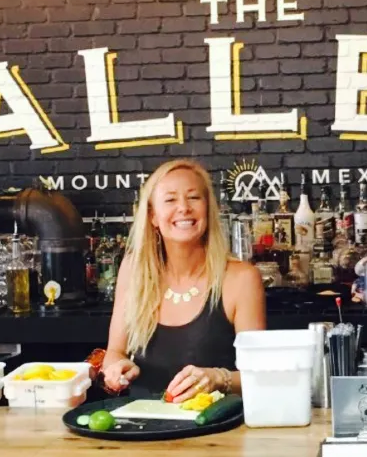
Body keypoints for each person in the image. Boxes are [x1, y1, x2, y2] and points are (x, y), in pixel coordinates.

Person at [101, 159, 266, 403]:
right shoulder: (134, 269)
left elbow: (260, 376)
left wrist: (218, 378)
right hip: (142, 420)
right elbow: (114, 353)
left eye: (194, 198)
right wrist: (117, 369)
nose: (184, 208)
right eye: (170, 200)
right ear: (153, 216)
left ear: (208, 209)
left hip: (217, 423)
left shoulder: (241, 278)